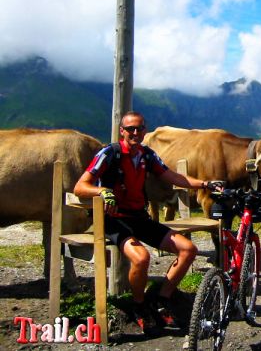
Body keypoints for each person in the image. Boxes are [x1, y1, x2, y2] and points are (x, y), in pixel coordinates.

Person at [74, 111, 215, 335]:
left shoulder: (147, 155)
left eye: (140, 128)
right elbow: (80, 186)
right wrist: (102, 191)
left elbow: (173, 177)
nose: (135, 133)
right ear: (122, 131)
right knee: (141, 258)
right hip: (113, 220)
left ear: (145, 130)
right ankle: (139, 306)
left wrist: (205, 183)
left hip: (139, 217)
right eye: (130, 129)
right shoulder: (109, 153)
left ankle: (161, 299)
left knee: (188, 249)